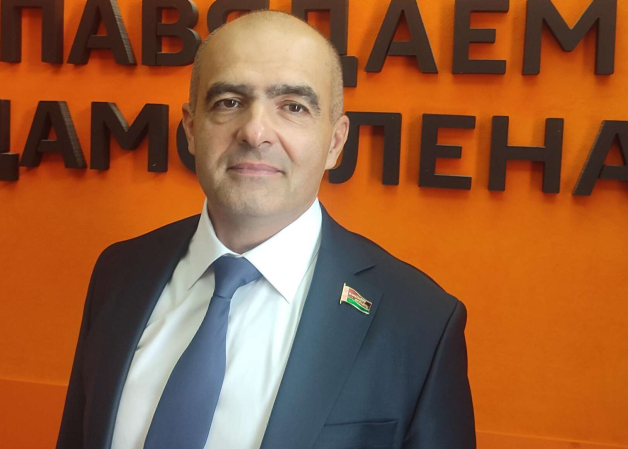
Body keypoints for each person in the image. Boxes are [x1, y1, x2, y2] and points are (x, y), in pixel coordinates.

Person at [56, 10, 475, 449]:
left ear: (335, 142)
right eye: (229, 102)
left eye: (293, 107)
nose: (255, 132)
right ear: (191, 129)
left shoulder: (419, 321)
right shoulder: (120, 272)